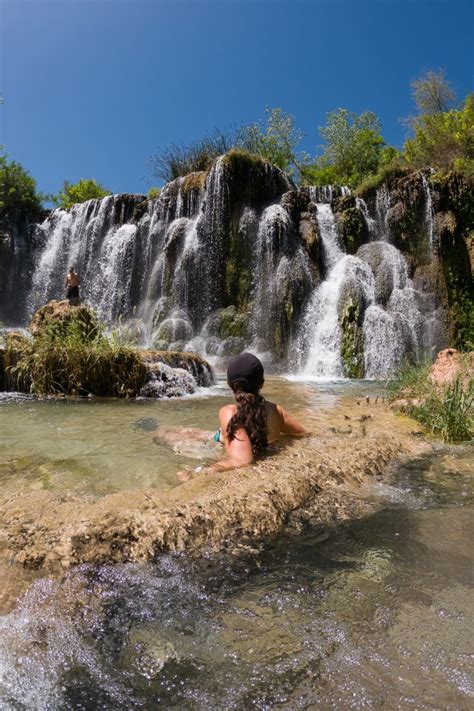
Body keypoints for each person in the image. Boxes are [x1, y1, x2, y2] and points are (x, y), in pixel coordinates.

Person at [206, 352, 307, 475]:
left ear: (229, 385)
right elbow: (303, 433)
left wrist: (199, 471)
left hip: (218, 448)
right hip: (267, 457)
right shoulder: (276, 410)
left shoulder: (230, 412)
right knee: (187, 433)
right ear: (262, 383)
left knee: (183, 435)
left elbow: (243, 460)